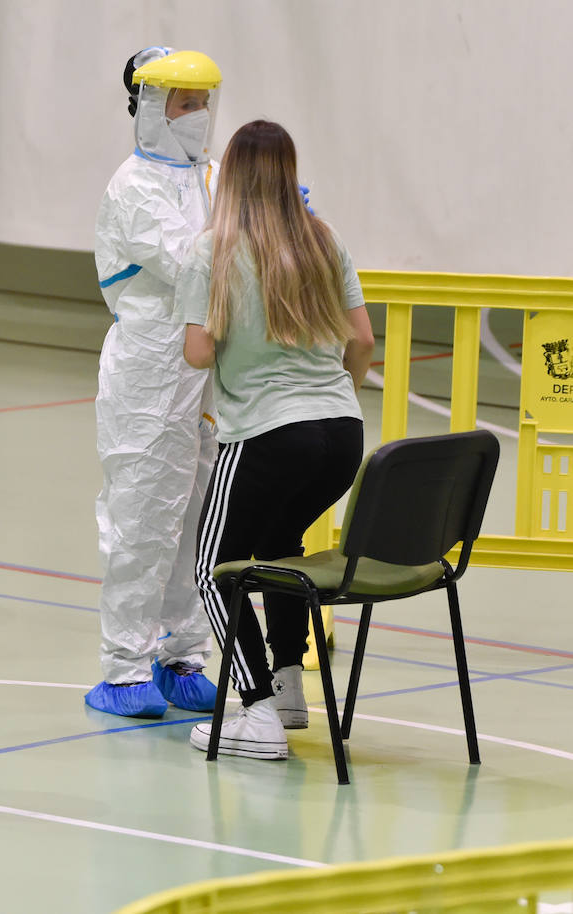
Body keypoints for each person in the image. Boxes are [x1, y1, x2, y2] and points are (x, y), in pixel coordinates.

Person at [177, 119, 375, 759]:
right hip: (342, 435)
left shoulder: (212, 250)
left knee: (212, 570)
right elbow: (362, 341)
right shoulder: (325, 240)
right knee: (279, 547)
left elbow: (198, 353)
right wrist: (332, 392)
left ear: (229, 175)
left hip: (265, 431)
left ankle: (257, 710)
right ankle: (289, 687)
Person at [87, 47, 223, 719]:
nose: (195, 115)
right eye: (181, 101)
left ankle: (183, 657)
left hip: (209, 379)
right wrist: (253, 238)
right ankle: (122, 669)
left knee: (199, 520)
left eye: (201, 101)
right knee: (143, 519)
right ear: (146, 105)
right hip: (147, 378)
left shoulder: (214, 180)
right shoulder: (133, 187)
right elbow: (192, 264)